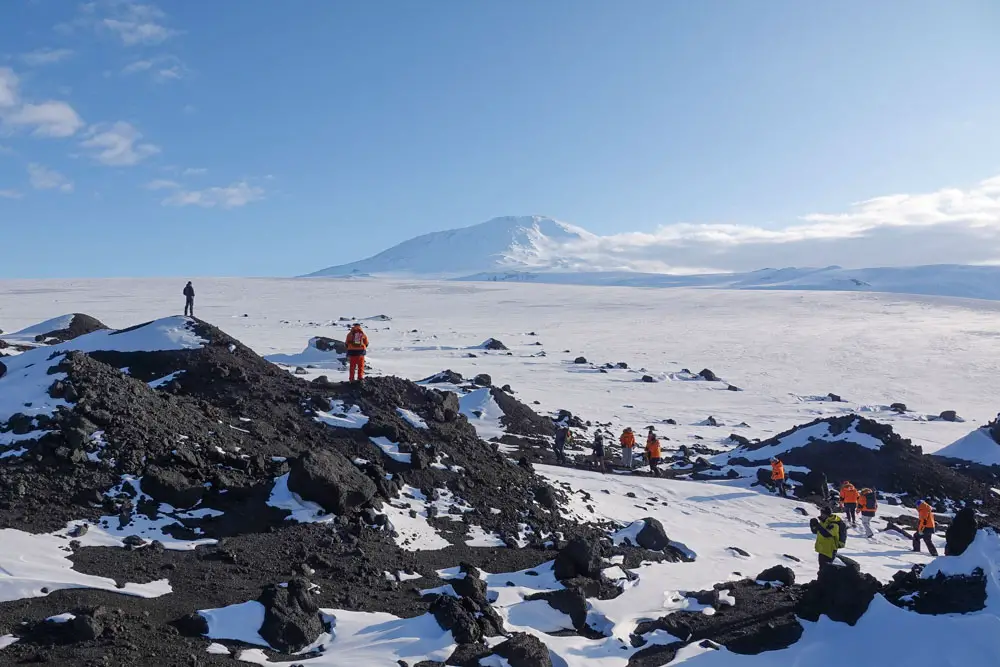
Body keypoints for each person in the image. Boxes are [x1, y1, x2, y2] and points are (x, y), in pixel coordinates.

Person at [810, 506, 841, 572]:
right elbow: (816, 531)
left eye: (823, 514)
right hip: (822, 549)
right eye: (821, 513)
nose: (821, 515)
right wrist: (813, 525)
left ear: (827, 514)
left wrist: (818, 526)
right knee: (821, 569)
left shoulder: (834, 523)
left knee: (826, 570)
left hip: (829, 550)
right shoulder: (823, 522)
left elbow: (827, 534)